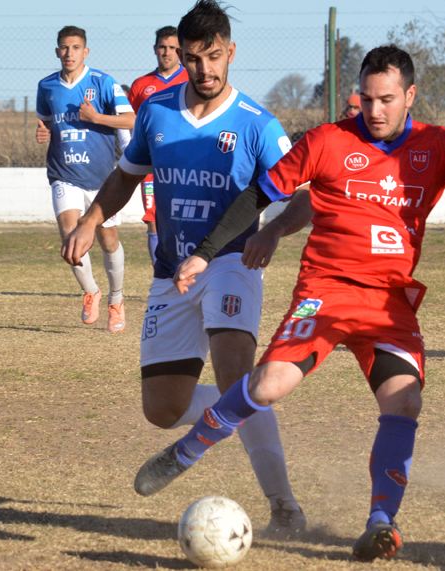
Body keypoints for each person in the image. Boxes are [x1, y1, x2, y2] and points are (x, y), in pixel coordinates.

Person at [131, 44, 445, 561]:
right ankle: (186, 450)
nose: (374, 111)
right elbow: (257, 197)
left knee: (405, 401)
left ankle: (381, 521)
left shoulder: (441, 147)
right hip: (324, 293)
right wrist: (207, 253)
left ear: (410, 96)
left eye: (387, 100)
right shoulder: (327, 140)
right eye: (367, 99)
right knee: (268, 383)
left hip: (389, 304)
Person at [61, 0, 309, 538]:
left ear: (231, 52)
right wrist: (91, 219)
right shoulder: (157, 111)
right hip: (170, 270)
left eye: (214, 57)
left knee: (234, 377)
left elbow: (306, 199)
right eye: (194, 58)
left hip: (232, 263)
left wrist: (271, 231)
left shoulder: (257, 125)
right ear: (181, 56)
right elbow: (127, 176)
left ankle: (283, 504)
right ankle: (233, 412)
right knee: (163, 409)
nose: (205, 70)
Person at [36, 25, 136, 332]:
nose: (69, 53)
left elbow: (132, 119)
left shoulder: (102, 83)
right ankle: (91, 291)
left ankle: (116, 299)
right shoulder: (47, 86)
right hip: (64, 174)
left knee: (107, 241)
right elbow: (47, 123)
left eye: (75, 47)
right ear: (57, 52)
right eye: (64, 48)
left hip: (101, 179)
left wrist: (97, 118)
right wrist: (44, 131)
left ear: (85, 51)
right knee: (70, 235)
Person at [127, 26, 189, 265]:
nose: (167, 52)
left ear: (180, 51)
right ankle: (160, 278)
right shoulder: (141, 85)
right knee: (153, 219)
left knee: (184, 219)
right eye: (162, 46)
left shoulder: (190, 80)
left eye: (173, 47)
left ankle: (186, 274)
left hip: (185, 164)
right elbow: (128, 122)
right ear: (155, 49)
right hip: (151, 166)